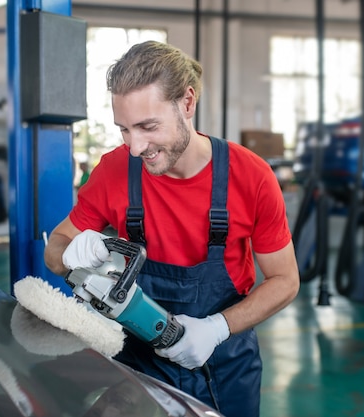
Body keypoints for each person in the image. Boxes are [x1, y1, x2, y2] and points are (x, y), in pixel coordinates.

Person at [45, 40, 300, 417]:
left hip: (224, 366)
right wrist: (70, 251)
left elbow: (285, 280)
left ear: (188, 103)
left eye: (148, 127)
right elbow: (55, 249)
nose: (135, 147)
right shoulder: (114, 170)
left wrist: (216, 328)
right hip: (136, 366)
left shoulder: (251, 177)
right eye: (124, 130)